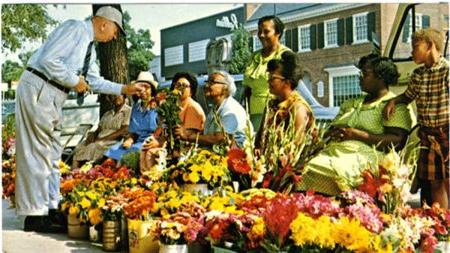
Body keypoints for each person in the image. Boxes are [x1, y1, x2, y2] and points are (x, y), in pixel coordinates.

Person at [15, 6, 148, 233]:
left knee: (52, 153)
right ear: (103, 23)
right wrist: (75, 80)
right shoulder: (76, 29)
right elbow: (49, 60)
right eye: (116, 31)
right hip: (40, 88)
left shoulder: (90, 49)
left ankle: (50, 207)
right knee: (38, 152)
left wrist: (125, 88)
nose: (114, 36)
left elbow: (94, 81)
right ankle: (35, 215)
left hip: (52, 93)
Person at [298, 54, 414, 196]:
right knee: (301, 167)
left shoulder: (391, 105)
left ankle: (344, 206)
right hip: (335, 151)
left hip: (367, 156)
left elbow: (398, 141)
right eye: (361, 73)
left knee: (329, 170)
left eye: (365, 74)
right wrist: (329, 133)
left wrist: (358, 135)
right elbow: (331, 129)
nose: (360, 77)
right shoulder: (352, 103)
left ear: (381, 77)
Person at [383, 28, 449, 209]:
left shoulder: (447, 71)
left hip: (446, 132)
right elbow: (407, 96)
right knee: (434, 181)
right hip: (427, 135)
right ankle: (442, 221)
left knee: (448, 179)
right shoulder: (418, 75)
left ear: (429, 46)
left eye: (415, 46)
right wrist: (394, 101)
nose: (411, 51)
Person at [140, 72, 206, 171]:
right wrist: (157, 139)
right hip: (170, 143)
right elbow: (163, 128)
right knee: (145, 147)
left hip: (186, 148)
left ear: (191, 91)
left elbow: (188, 136)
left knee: (152, 153)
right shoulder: (171, 105)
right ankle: (146, 179)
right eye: (178, 85)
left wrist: (160, 143)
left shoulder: (193, 107)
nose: (180, 88)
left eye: (185, 86)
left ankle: (154, 181)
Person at [256, 51, 315, 149]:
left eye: (272, 78)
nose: (268, 81)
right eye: (268, 77)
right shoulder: (271, 104)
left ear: (287, 82)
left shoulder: (298, 108)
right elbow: (259, 137)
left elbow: (295, 147)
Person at [175, 71, 250, 148]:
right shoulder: (216, 107)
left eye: (212, 82)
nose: (206, 85)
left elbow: (219, 139)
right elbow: (209, 134)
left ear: (225, 87)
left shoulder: (231, 109)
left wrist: (189, 137)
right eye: (207, 82)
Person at [243, 15, 291, 132]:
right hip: (254, 114)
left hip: (275, 115)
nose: (261, 35)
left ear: (278, 33)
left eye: (266, 31)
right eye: (259, 31)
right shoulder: (254, 57)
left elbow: (291, 89)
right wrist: (246, 111)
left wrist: (280, 114)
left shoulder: (286, 55)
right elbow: (247, 89)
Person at [105, 71, 159, 162]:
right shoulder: (136, 107)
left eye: (146, 87)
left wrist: (156, 140)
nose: (143, 91)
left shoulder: (158, 106)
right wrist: (130, 140)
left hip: (151, 142)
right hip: (137, 142)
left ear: (152, 89)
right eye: (140, 88)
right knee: (112, 150)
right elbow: (134, 132)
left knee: (130, 154)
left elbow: (162, 130)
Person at [71, 94, 131, 169]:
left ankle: (90, 172)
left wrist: (104, 139)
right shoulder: (107, 114)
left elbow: (124, 130)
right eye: (112, 96)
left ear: (124, 96)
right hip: (99, 139)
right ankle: (73, 173)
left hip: (113, 141)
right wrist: (93, 134)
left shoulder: (128, 111)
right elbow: (99, 129)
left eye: (118, 95)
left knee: (94, 146)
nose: (115, 97)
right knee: (81, 145)